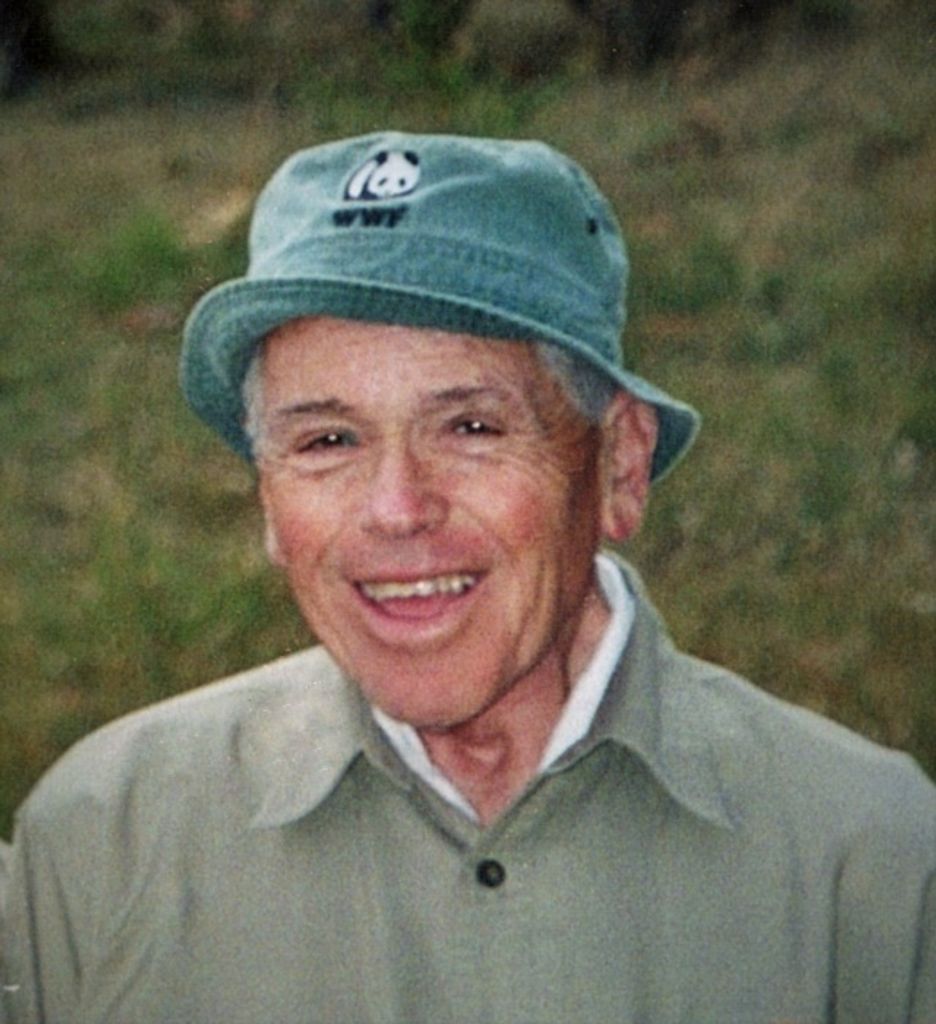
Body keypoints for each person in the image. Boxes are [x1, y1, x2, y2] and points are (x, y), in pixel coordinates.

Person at [1, 131, 934, 1023]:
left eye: (471, 427)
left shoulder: (872, 865)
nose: (397, 508)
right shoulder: (101, 843)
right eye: (327, 440)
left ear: (618, 464)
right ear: (268, 501)